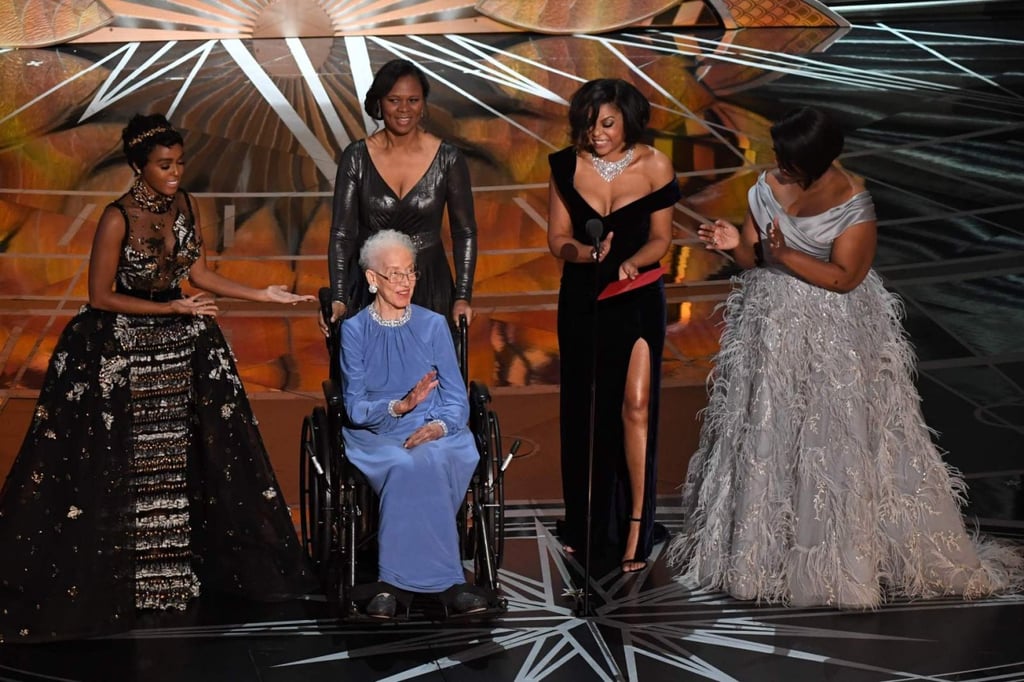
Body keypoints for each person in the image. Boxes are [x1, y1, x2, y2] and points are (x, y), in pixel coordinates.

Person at [668, 106, 1023, 608]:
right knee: (769, 433)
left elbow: (845, 278)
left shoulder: (853, 200)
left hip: (832, 335)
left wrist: (785, 255)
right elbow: (752, 255)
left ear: (814, 158)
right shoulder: (766, 185)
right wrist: (733, 243)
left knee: (827, 437)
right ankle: (759, 558)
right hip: (770, 333)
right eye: (778, 154)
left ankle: (835, 566)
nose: (777, 163)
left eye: (788, 157)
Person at [0, 114, 316, 643]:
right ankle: (127, 580)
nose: (175, 173)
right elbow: (99, 297)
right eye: (164, 166)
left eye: (180, 163)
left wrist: (263, 294)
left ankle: (171, 575)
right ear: (138, 167)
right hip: (123, 346)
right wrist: (172, 311)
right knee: (122, 465)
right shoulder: (116, 217)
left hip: (182, 342)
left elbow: (200, 274)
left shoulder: (186, 204)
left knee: (184, 461)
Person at [547, 79, 680, 573]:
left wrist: (633, 264)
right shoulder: (564, 166)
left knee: (636, 406)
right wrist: (584, 254)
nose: (596, 134)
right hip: (582, 300)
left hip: (637, 295)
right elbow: (557, 238)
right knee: (588, 411)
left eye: (606, 124)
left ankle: (636, 528)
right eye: (588, 124)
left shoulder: (655, 165)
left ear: (627, 119)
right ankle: (588, 524)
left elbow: (661, 238)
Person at [338, 229, 488, 618]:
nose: (405, 283)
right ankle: (406, 582)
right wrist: (400, 407)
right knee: (406, 464)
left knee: (434, 458)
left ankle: (438, 582)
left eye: (410, 273)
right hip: (379, 433)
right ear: (372, 279)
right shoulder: (354, 332)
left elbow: (456, 398)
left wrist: (439, 426)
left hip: (438, 428)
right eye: (394, 274)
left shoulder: (434, 325)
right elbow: (355, 408)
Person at [322, 58, 477, 335]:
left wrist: (463, 296)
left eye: (413, 100)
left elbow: (464, 232)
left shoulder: (448, 158)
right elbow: (342, 234)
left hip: (429, 285)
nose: (404, 109)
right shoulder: (356, 157)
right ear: (379, 103)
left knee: (431, 374)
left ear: (424, 104)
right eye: (394, 100)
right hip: (371, 286)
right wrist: (339, 296)